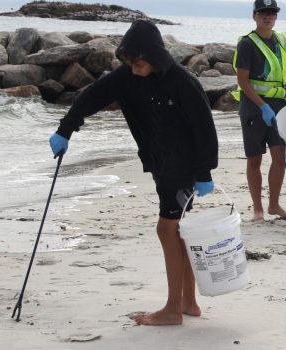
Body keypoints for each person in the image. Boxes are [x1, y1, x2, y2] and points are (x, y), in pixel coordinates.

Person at [47, 19, 219, 324]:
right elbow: (90, 96)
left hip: (182, 166)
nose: (135, 68)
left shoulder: (182, 81)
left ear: (155, 56)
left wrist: (205, 171)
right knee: (179, 231)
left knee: (166, 230)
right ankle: (188, 303)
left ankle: (171, 310)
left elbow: (205, 127)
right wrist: (65, 130)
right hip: (159, 162)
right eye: (129, 62)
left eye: (139, 62)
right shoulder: (126, 77)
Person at [232, 0, 286, 222]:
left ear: (276, 17)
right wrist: (263, 106)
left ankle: (274, 205)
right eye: (263, 13)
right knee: (255, 160)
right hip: (254, 108)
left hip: (279, 107)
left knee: (279, 156)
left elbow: (280, 76)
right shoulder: (247, 44)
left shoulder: (280, 40)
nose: (267, 17)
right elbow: (243, 81)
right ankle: (258, 209)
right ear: (254, 16)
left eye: (271, 13)